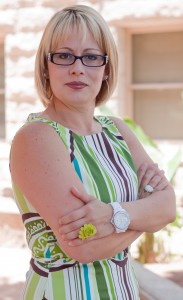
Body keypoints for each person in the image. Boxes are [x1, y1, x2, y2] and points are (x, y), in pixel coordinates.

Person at [10, 4, 176, 300]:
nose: (78, 68)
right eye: (63, 56)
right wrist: (145, 214)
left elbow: (168, 209)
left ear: (106, 68)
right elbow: (83, 246)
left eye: (91, 56)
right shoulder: (36, 137)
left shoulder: (117, 130)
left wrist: (112, 216)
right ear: (45, 68)